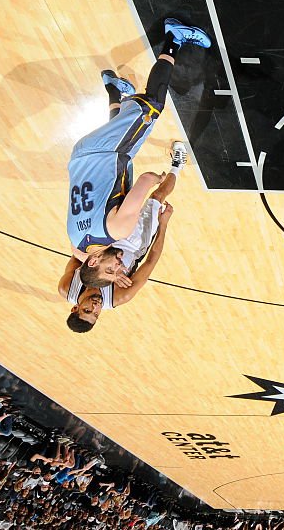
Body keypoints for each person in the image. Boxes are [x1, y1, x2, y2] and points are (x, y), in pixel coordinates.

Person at [67, 18, 209, 285]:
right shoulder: (76, 244)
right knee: (119, 128)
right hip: (80, 157)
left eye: (111, 269)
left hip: (107, 152)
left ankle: (174, 38)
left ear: (96, 261)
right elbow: (79, 258)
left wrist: (158, 178)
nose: (119, 266)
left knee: (152, 106)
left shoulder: (118, 230)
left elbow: (145, 180)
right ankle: (113, 89)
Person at [59, 183, 178, 333]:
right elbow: (151, 260)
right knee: (157, 197)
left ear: (75, 307)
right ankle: (177, 164)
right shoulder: (119, 296)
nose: (96, 307)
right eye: (96, 314)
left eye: (87, 310)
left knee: (121, 193)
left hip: (107, 239)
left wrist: (107, 271)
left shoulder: (67, 288)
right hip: (134, 244)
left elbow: (79, 253)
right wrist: (163, 224)